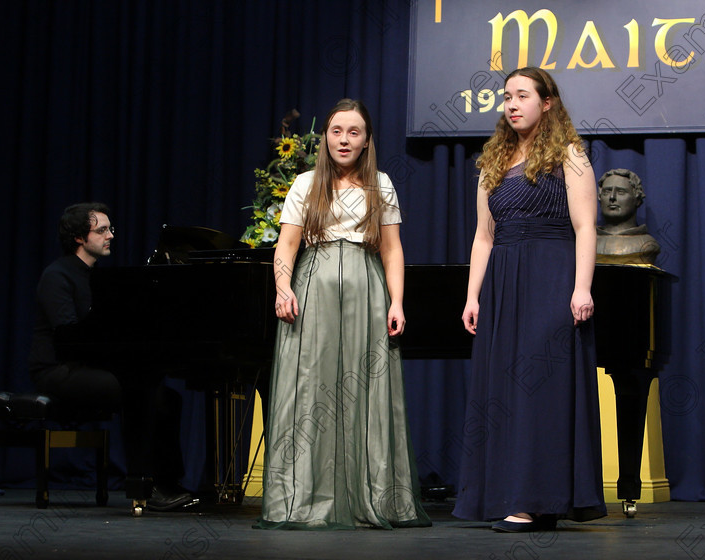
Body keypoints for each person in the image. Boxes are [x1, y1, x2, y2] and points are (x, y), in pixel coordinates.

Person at [257, 99, 431, 530]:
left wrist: (396, 301)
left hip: (367, 292)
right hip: (312, 288)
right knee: (310, 386)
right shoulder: (304, 184)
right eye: (337, 131)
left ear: (367, 140)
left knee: (365, 388)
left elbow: (391, 249)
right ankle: (300, 498)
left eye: (354, 132)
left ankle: (374, 497)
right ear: (326, 137)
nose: (344, 140)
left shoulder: (382, 184)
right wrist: (282, 287)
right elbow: (286, 246)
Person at [453, 68, 607, 532]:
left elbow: (585, 227)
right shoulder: (493, 162)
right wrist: (472, 295)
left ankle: (534, 500)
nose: (512, 104)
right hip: (503, 283)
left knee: (539, 390)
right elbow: (484, 236)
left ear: (548, 103)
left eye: (522, 95)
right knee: (502, 392)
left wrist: (582, 287)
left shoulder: (570, 156)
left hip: (550, 277)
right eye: (506, 97)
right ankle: (512, 496)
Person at [28, 202, 194, 512]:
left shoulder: (99, 277)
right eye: (102, 230)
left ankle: (169, 481)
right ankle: (143, 486)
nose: (111, 236)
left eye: (110, 229)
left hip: (88, 364)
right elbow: (67, 335)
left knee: (168, 398)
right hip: (58, 370)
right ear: (79, 237)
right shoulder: (58, 275)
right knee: (139, 393)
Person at [596, 168, 661, 265]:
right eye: (607, 192)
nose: (612, 197)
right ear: (600, 197)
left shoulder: (647, 245)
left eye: (621, 192)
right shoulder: (587, 243)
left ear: (637, 199)